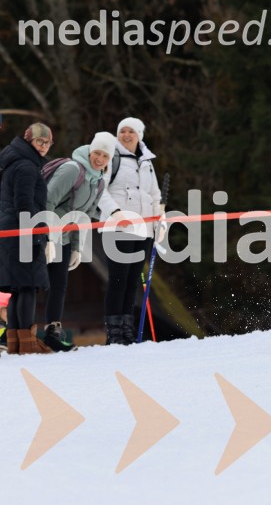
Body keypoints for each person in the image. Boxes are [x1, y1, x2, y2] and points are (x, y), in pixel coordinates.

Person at [41, 132, 116, 351]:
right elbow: (47, 200)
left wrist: (75, 248)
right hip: (43, 231)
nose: (99, 159)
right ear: (90, 150)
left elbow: (82, 219)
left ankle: (52, 334)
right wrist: (46, 236)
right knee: (30, 283)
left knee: (59, 285)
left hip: (64, 238)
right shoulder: (73, 169)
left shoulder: (99, 183)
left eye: (105, 156)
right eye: (97, 153)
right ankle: (13, 331)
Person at [96, 118, 163, 344]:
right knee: (118, 279)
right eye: (122, 131)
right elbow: (100, 190)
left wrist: (159, 223)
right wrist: (115, 213)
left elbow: (154, 195)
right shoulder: (111, 157)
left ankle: (127, 330)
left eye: (131, 131)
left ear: (139, 135)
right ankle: (114, 334)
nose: (126, 135)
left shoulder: (147, 161)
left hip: (143, 230)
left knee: (133, 280)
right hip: (118, 227)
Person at [0, 123, 54, 354]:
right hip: (23, 230)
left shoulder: (12, 161)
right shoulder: (26, 166)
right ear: (28, 140)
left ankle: (15, 344)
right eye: (39, 141)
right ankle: (28, 345)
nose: (43, 147)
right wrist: (39, 235)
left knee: (17, 287)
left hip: (8, 230)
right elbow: (25, 203)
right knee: (28, 286)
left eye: (47, 143)